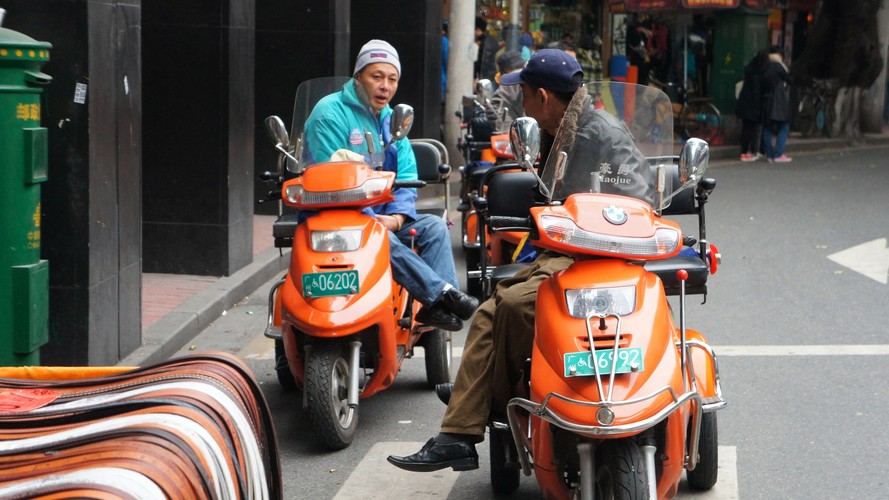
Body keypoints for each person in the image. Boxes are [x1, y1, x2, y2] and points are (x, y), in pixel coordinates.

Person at [387, 49, 656, 473]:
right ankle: (460, 431)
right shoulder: (557, 131)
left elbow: (640, 198)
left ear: (543, 96)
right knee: (489, 311)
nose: (520, 103)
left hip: (594, 261)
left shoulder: (601, 132)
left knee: (511, 306)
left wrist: (586, 220)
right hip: (562, 253)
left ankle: (486, 401)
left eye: (524, 94)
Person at [302, 39, 478, 331]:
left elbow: (406, 176)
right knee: (377, 236)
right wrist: (375, 222)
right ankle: (442, 295)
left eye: (392, 79)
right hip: (333, 217)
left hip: (384, 217)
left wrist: (396, 218)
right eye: (377, 77)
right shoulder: (328, 113)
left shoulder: (391, 119)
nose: (385, 86)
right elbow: (328, 178)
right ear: (358, 77)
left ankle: (433, 306)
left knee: (434, 227)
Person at [761, 44, 793, 162]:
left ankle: (769, 154)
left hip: (766, 101)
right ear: (780, 55)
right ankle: (778, 154)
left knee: (767, 127)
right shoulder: (779, 67)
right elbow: (789, 80)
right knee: (784, 126)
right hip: (778, 102)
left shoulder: (765, 66)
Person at [735, 49, 768, 162]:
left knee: (746, 128)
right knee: (751, 129)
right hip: (753, 105)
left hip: (745, 103)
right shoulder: (758, 74)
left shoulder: (750, 70)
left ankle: (745, 151)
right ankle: (746, 151)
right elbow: (756, 92)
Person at [483, 50, 525, 132]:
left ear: (507, 70)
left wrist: (510, 133)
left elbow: (494, 108)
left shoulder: (513, 80)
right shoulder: (528, 74)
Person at [474, 17, 499, 83]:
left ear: (477, 29)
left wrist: (475, 77)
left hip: (484, 78)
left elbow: (481, 63)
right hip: (492, 78)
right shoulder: (492, 40)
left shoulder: (482, 42)